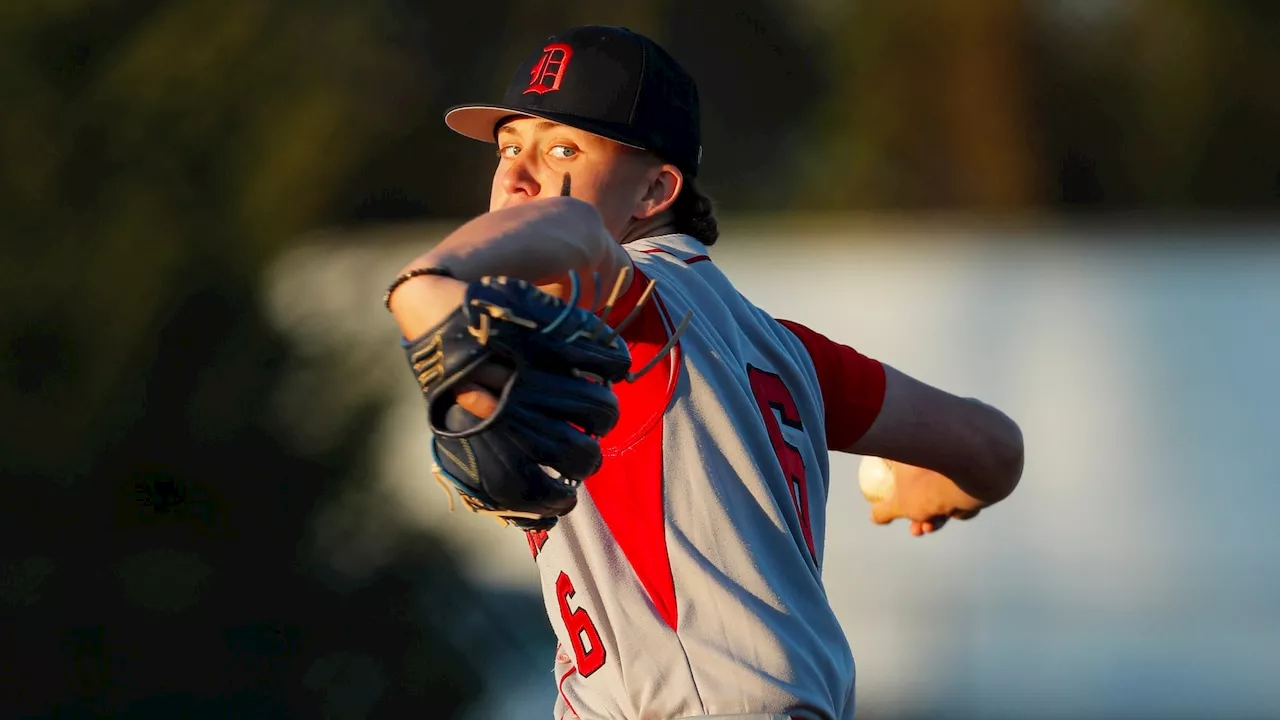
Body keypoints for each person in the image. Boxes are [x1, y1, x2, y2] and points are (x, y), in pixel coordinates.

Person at [386, 25, 1024, 720]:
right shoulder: (784, 349)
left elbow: (577, 236)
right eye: (510, 147)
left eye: (562, 149)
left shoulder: (638, 302)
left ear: (656, 190)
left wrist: (428, 284)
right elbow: (991, 445)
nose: (515, 175)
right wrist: (933, 481)